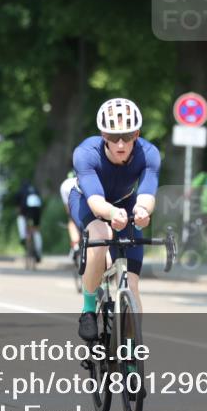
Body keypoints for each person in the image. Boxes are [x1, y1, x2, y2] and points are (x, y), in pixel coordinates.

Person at [70, 98, 160, 341]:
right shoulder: (86, 154)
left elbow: (148, 193)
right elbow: (96, 201)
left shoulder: (149, 154)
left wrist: (142, 212)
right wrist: (111, 214)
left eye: (128, 136)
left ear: (137, 134)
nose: (121, 143)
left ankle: (133, 348)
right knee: (101, 235)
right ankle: (88, 309)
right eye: (113, 136)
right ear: (103, 135)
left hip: (127, 201)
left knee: (131, 285)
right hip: (89, 201)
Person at [13, 179, 43, 262]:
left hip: (26, 211)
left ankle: (23, 237)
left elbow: (18, 207)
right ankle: (38, 251)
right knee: (36, 229)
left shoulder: (20, 191)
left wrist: (19, 212)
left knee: (21, 219)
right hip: (37, 210)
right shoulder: (35, 190)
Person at [59, 170, 82, 263]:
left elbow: (67, 208)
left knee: (71, 220)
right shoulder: (82, 179)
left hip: (72, 202)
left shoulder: (64, 184)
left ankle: (75, 246)